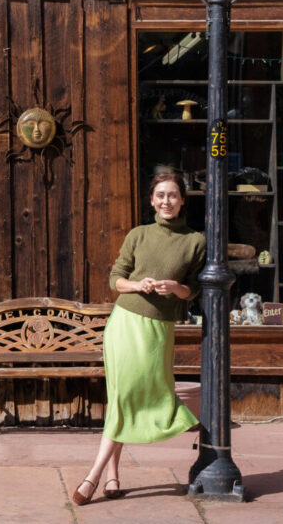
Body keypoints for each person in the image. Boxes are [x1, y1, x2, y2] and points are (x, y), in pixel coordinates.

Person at [72, 169, 205, 505]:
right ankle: (97, 474)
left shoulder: (195, 241)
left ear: (182, 200)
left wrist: (176, 288)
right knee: (121, 396)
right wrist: (138, 284)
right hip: (125, 323)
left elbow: (195, 289)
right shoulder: (138, 234)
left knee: (127, 398)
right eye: (160, 195)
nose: (166, 201)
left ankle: (111, 475)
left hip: (159, 330)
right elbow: (116, 279)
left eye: (172, 195)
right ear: (151, 200)